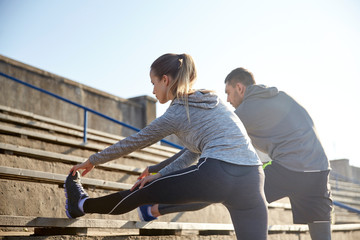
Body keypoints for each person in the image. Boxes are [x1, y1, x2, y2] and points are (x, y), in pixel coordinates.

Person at [64, 55, 268, 240]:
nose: (153, 91)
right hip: (253, 178)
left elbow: (136, 141)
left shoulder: (177, 112)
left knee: (141, 191)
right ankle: (82, 205)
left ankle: (80, 205)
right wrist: (161, 174)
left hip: (219, 172)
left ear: (165, 80)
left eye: (153, 83)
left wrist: (92, 160)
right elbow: (192, 152)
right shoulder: (212, 101)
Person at [139, 68, 333, 240]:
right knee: (322, 235)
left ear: (240, 88)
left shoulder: (247, 110)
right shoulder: (279, 97)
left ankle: (153, 209)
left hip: (288, 169)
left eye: (229, 93)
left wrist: (158, 169)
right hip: (319, 172)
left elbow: (199, 147)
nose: (228, 100)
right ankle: (156, 209)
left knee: (221, 188)